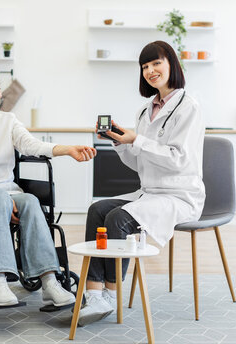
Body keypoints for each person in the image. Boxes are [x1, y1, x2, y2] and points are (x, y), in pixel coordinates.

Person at [0, 64, 97, 307]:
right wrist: (4, 202)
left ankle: (49, 281)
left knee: (30, 200)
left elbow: (31, 145)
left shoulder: (8, 121)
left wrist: (67, 150)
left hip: (7, 194)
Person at [78, 40, 206, 325]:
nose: (150, 70)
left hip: (179, 195)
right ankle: (94, 293)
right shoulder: (145, 111)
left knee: (118, 218)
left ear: (171, 64)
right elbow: (140, 163)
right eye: (145, 66)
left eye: (156, 63)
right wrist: (121, 143)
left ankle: (112, 295)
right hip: (150, 192)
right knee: (97, 210)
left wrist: (137, 138)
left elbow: (178, 160)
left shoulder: (189, 107)